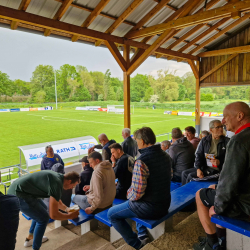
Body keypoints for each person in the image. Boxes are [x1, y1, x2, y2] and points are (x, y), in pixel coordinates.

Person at [193, 102, 250, 250]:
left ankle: (212, 243)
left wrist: (218, 207)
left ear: (240, 116)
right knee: (213, 187)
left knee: (201, 195)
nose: (223, 121)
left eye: (225, 117)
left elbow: (229, 180)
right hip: (245, 192)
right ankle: (220, 237)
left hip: (246, 204)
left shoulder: (238, 140)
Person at [108, 127, 172, 250]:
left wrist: (128, 193)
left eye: (137, 140)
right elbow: (170, 177)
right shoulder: (165, 155)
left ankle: (137, 244)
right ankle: (142, 233)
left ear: (142, 141)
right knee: (135, 202)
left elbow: (136, 194)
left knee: (112, 214)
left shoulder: (141, 161)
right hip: (165, 204)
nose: (136, 143)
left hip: (151, 208)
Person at [7, 171, 80, 250]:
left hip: (24, 191)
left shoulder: (59, 178)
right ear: (69, 181)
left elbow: (58, 202)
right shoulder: (57, 183)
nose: (71, 188)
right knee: (43, 218)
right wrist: (70, 216)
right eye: (73, 186)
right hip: (19, 194)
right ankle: (35, 248)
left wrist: (67, 209)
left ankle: (30, 237)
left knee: (43, 210)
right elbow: (53, 215)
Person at [182, 120, 230, 185]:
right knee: (184, 173)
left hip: (217, 170)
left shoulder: (227, 142)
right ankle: (185, 194)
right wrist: (198, 168)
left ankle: (192, 194)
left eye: (222, 126)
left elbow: (231, 159)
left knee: (191, 176)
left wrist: (220, 162)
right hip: (204, 167)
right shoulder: (205, 140)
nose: (221, 129)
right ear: (211, 130)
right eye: (218, 127)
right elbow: (198, 155)